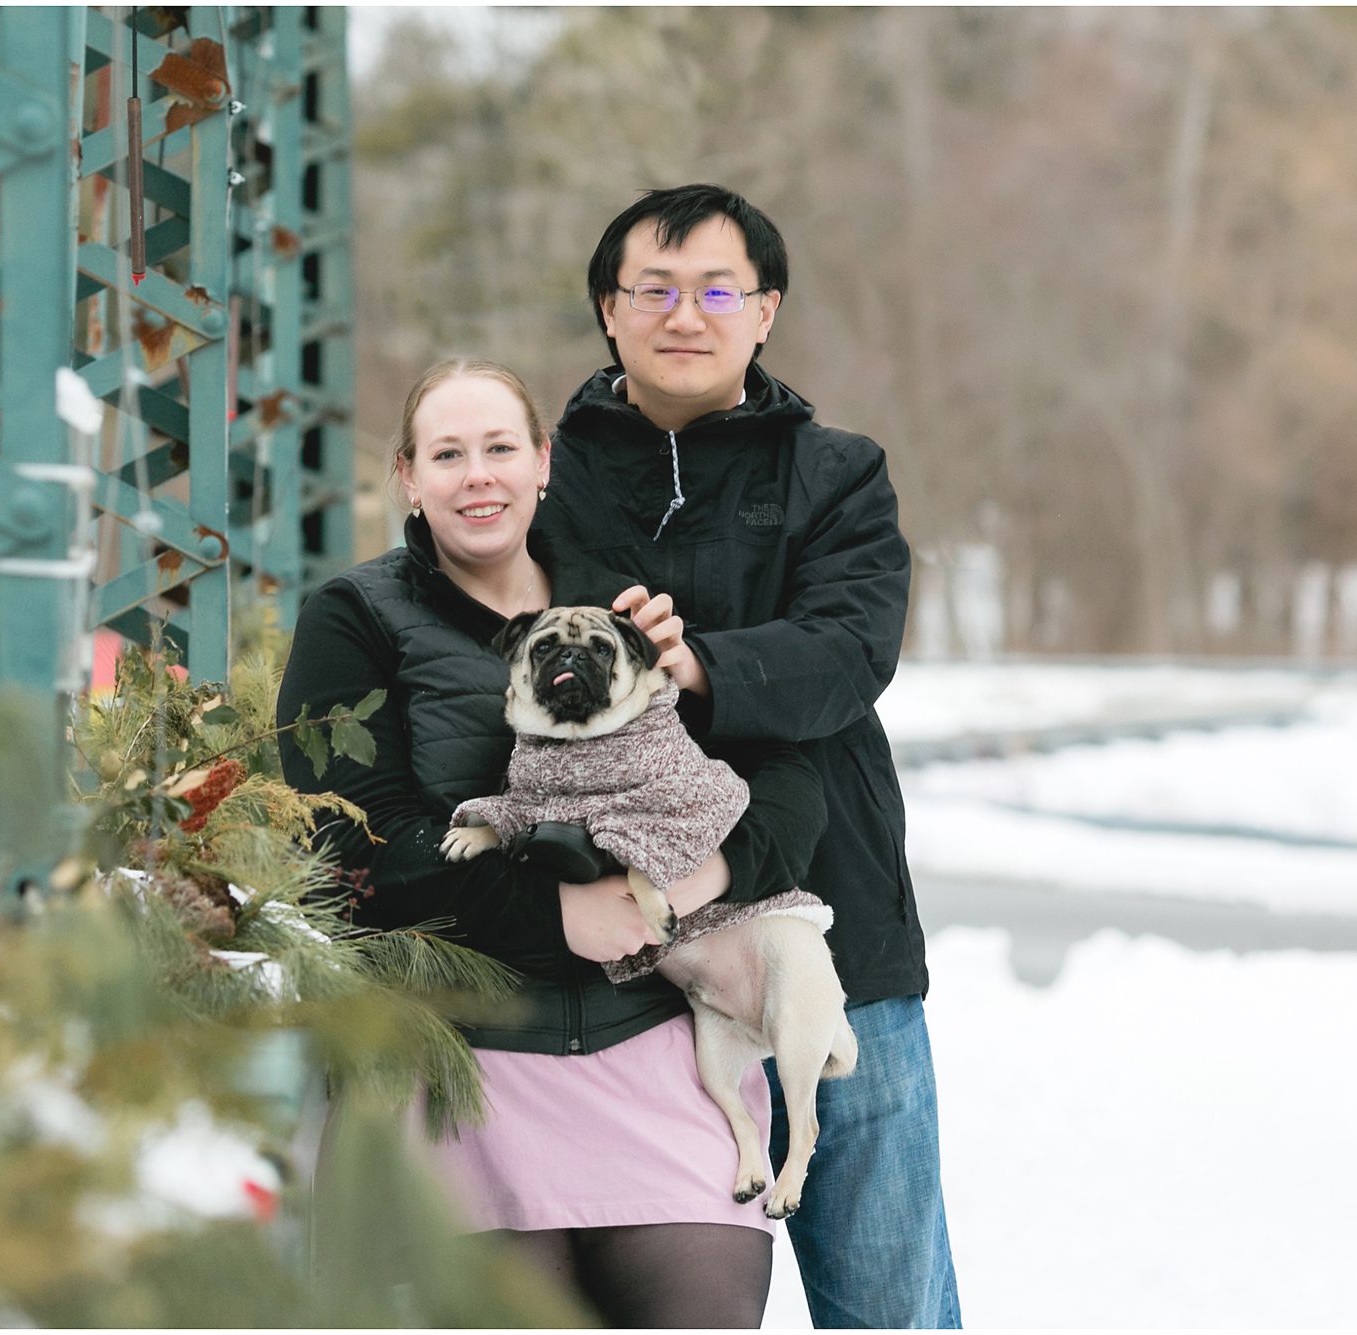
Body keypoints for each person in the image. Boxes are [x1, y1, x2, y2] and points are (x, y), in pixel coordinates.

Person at [274, 359, 828, 1328]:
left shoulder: (638, 606)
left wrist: (702, 875)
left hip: (655, 1042)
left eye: (499, 449)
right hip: (471, 1056)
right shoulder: (357, 616)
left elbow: (786, 782)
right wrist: (558, 914)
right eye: (447, 454)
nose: (475, 475)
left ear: (541, 463)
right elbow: (344, 848)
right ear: (407, 476)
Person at [533, 184, 962, 1329]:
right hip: (611, 966)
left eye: (718, 289)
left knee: (887, 1299)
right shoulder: (540, 479)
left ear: (764, 311)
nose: (687, 314)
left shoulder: (836, 473)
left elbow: (847, 651)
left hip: (834, 932)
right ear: (607, 311)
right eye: (654, 290)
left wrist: (692, 666)